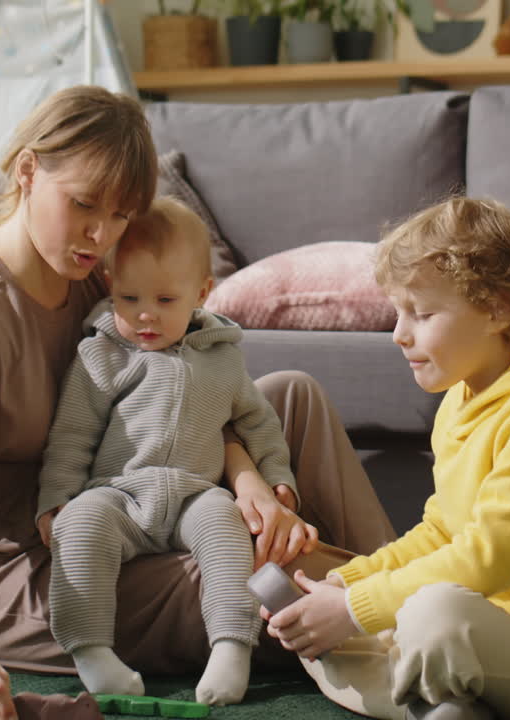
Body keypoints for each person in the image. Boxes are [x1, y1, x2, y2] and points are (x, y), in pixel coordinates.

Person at [0, 86, 396, 720]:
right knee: (240, 581)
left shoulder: (92, 277)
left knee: (292, 394)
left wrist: (248, 479)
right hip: (39, 565)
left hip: (142, 496)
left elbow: (174, 393)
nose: (100, 235)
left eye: (119, 217)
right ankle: (407, 608)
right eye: (83, 206)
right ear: (27, 170)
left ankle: (399, 575)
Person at [265, 196, 510, 720]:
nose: (399, 334)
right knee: (304, 593)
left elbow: (484, 559)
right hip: (492, 624)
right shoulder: (463, 397)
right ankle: (446, 698)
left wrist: (356, 611)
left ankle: (435, 694)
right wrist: (347, 585)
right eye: (399, 312)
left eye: (422, 314)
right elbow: (441, 532)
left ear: (499, 310)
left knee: (432, 612)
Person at [35, 196, 314, 705]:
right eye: (128, 298)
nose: (144, 315)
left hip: (194, 494)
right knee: (79, 524)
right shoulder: (100, 354)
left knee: (229, 529)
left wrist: (277, 480)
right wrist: (57, 499)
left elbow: (258, 423)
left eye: (165, 301)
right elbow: (72, 435)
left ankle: (232, 647)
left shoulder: (223, 359)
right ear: (110, 289)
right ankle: (91, 652)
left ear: (202, 294)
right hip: (120, 494)